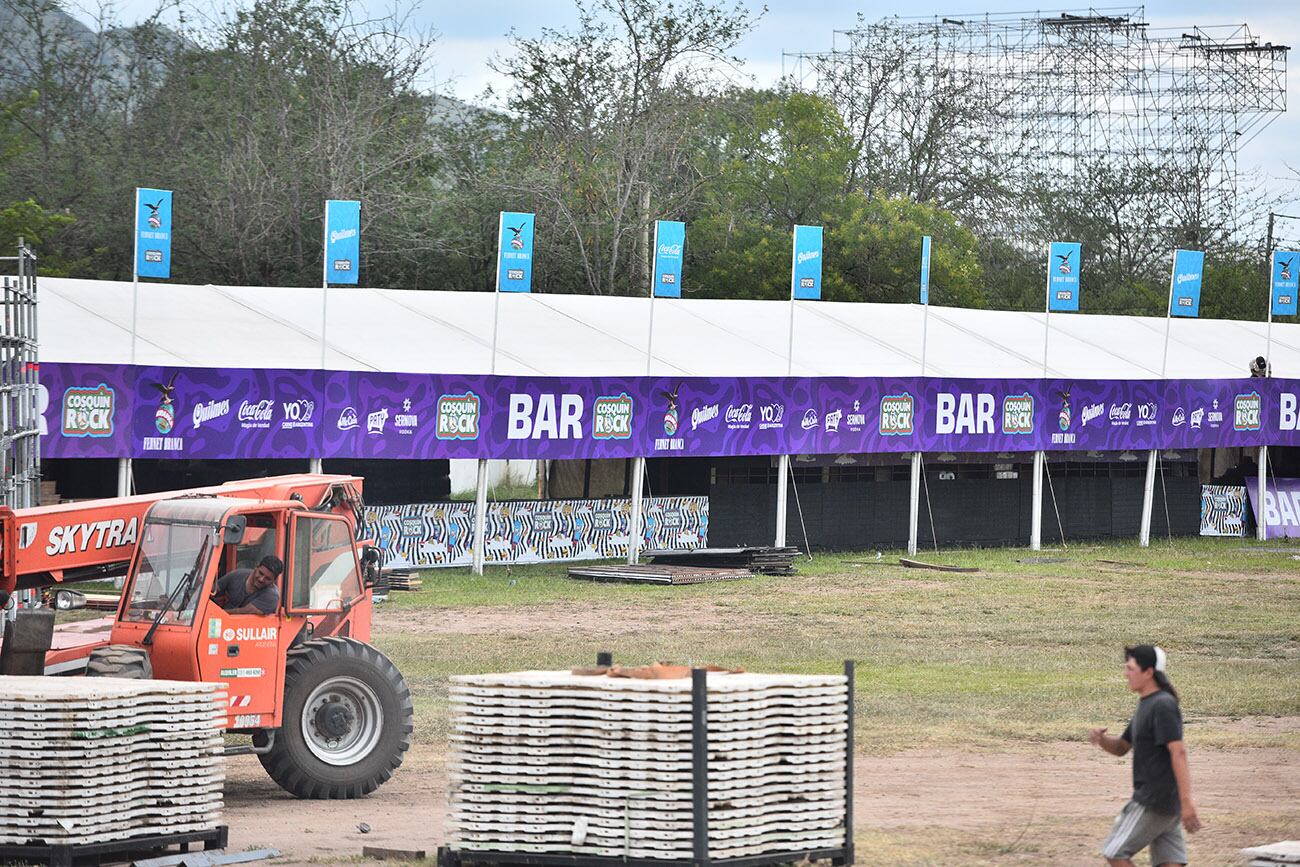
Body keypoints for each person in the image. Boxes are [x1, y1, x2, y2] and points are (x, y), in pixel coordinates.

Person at [1090, 645, 1201, 867]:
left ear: (1149, 672)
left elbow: (1178, 752)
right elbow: (1122, 747)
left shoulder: (1162, 705)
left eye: (1130, 668)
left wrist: (1187, 801)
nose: (1125, 674)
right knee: (1170, 862)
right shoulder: (1147, 704)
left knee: (1115, 851)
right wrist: (1102, 740)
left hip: (1153, 799)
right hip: (1167, 801)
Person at [212, 555, 283, 615]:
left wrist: (216, 614)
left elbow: (244, 612)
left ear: (274, 580)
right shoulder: (237, 575)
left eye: (267, 578)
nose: (261, 579)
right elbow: (212, 590)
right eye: (260, 573)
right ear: (256, 567)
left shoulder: (272, 595)